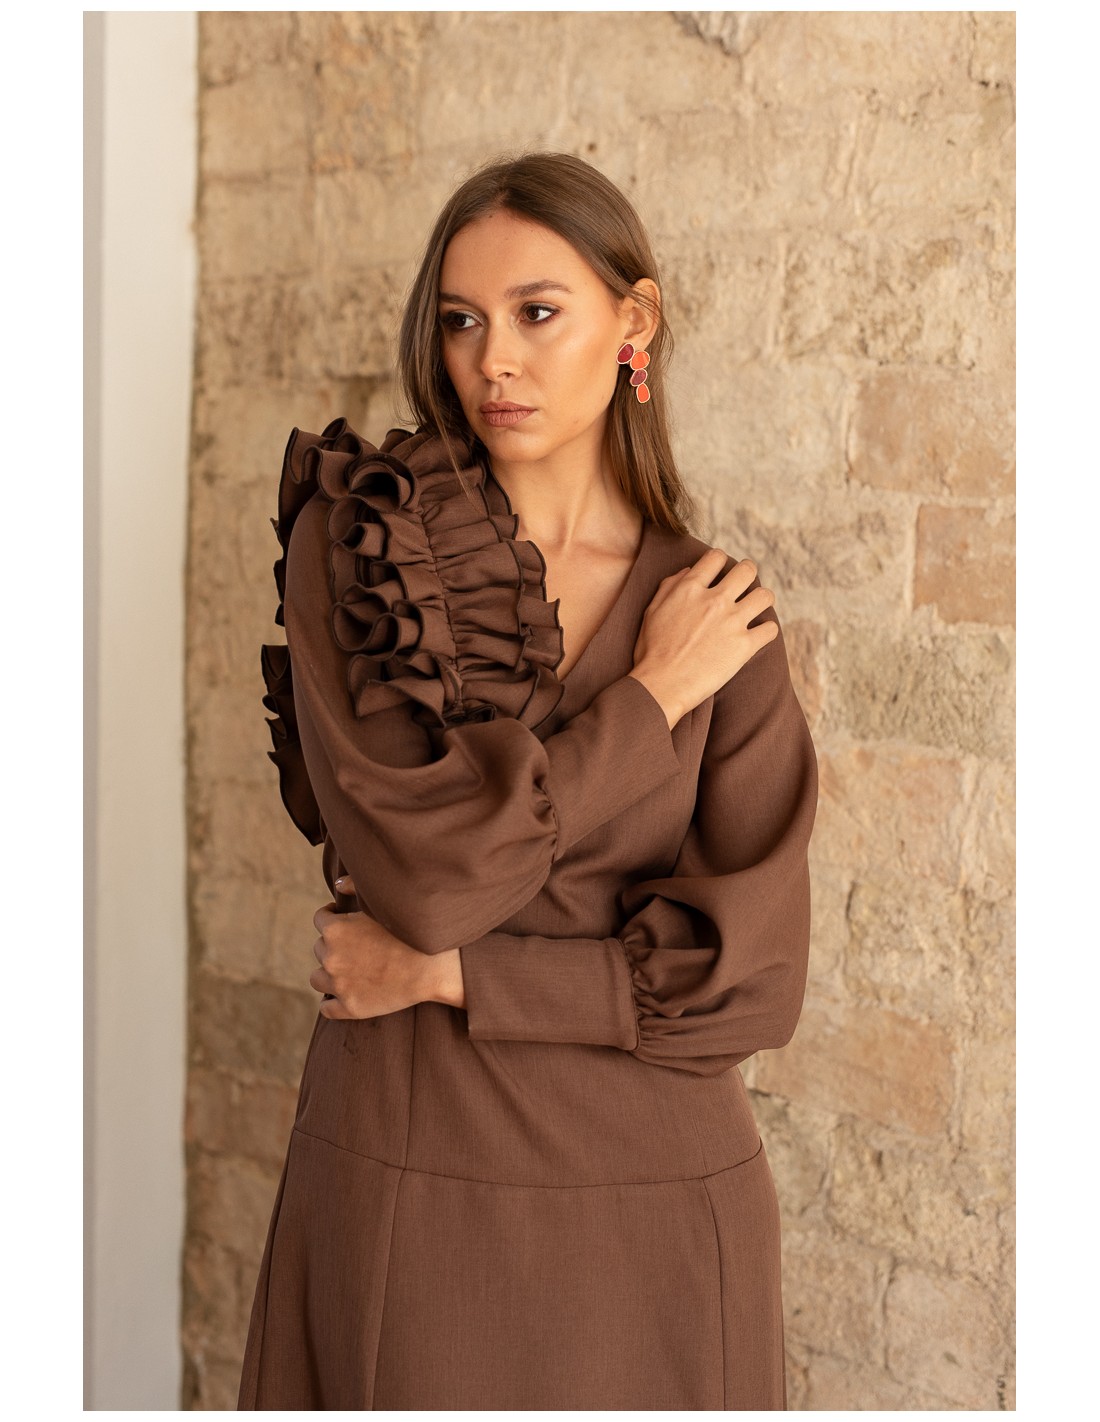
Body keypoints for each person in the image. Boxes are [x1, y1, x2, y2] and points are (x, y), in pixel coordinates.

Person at [240, 151, 818, 1411]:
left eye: (535, 312)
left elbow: (749, 982)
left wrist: (453, 978)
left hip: (659, 1196)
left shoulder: (714, 611)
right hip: (415, 1165)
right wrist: (647, 702)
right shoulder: (364, 551)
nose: (491, 359)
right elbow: (431, 883)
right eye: (461, 321)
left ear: (633, 322)